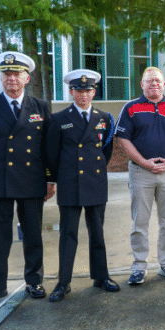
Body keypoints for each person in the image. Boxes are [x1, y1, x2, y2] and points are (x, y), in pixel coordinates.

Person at [0, 51, 55, 306]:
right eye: (6, 74)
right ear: (0, 78)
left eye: (17, 74)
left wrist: (51, 179)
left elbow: (48, 147)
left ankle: (34, 281)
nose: (11, 78)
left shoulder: (40, 106)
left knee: (33, 235)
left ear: (27, 78)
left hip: (32, 180)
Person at [45, 69, 118, 302]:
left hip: (95, 182)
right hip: (69, 183)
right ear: (71, 91)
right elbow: (51, 154)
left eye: (87, 90)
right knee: (68, 234)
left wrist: (93, 172)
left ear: (94, 92)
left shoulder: (104, 118)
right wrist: (55, 179)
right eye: (78, 90)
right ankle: (63, 283)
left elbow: (105, 151)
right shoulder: (58, 119)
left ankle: (101, 276)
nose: (83, 95)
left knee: (97, 232)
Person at [115, 67, 165, 285]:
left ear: (164, 84)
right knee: (140, 222)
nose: (154, 84)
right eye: (149, 81)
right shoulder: (131, 108)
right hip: (141, 173)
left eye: (157, 81)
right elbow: (124, 139)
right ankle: (139, 266)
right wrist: (143, 162)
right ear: (142, 84)